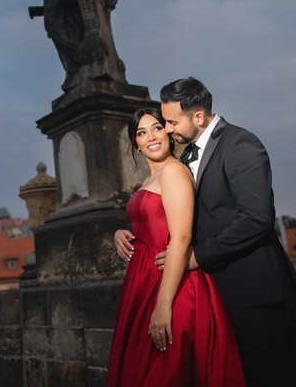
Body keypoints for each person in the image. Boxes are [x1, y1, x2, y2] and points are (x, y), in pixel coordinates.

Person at [157, 77, 296, 387]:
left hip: (253, 292)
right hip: (215, 293)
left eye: (172, 121)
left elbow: (256, 218)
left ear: (198, 116)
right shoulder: (185, 157)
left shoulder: (241, 143)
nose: (168, 129)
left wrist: (198, 256)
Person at [107, 105, 245, 387]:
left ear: (168, 132)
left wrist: (163, 306)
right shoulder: (150, 179)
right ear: (135, 143)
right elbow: (149, 221)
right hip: (143, 284)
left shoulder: (173, 172)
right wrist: (121, 233)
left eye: (157, 128)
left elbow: (180, 237)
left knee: (166, 373)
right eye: (142, 133)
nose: (151, 137)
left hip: (172, 285)